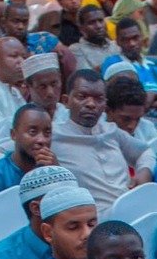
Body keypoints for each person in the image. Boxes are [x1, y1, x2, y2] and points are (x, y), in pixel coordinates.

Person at [51, 69, 145, 210]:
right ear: (66, 101)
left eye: (98, 99)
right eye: (82, 97)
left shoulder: (111, 131)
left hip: (131, 210)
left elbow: (145, 152)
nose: (91, 104)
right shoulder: (52, 135)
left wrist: (144, 172)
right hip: (90, 220)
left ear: (105, 104)